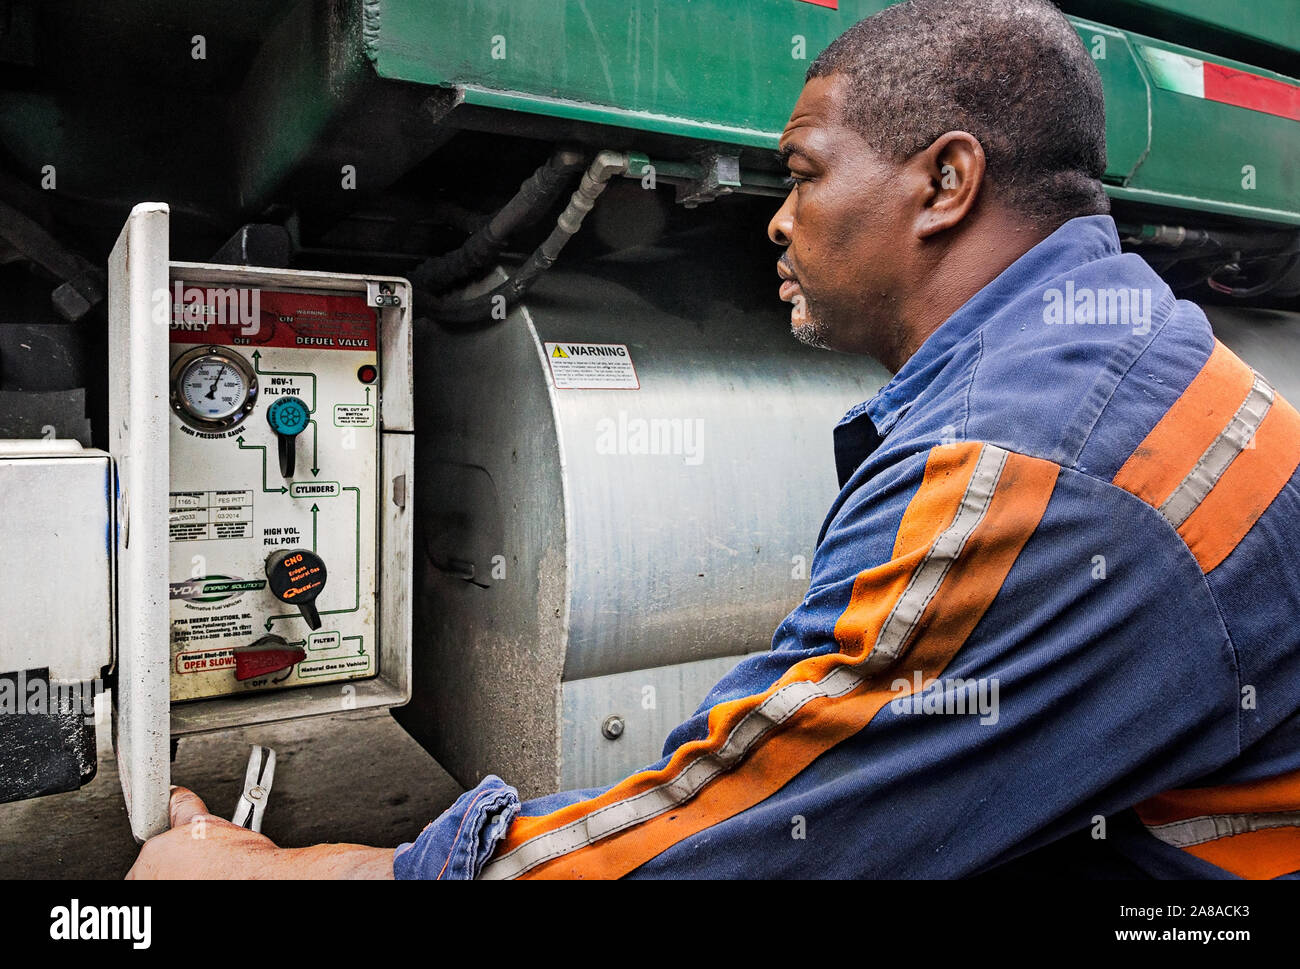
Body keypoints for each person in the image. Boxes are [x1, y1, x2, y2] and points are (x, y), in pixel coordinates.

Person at [128, 0, 1300, 880]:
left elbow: (727, 840)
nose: (778, 221)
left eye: (800, 175)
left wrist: (280, 874)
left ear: (946, 180)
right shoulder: (1122, 350)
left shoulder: (1026, 467)